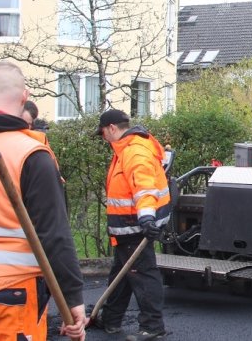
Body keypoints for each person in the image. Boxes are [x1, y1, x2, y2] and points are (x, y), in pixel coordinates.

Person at [0, 60, 86, 340]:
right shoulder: (30, 154)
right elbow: (54, 234)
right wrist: (72, 299)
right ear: (25, 97)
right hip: (11, 295)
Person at [94, 109, 169, 340]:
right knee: (123, 272)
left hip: (135, 226)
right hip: (128, 227)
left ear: (112, 128)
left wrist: (146, 218)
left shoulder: (134, 151)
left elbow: (144, 188)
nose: (103, 138)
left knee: (143, 274)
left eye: (103, 133)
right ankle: (111, 319)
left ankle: (152, 327)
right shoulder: (125, 149)